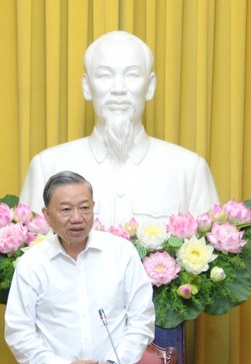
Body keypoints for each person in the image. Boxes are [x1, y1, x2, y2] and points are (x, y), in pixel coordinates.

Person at [19, 30, 220, 227]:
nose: (118, 89)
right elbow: (27, 254)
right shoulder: (47, 167)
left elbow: (212, 254)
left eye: (132, 75)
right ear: (87, 86)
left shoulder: (189, 170)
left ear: (150, 86)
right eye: (104, 75)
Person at [4, 171, 155, 364]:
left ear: (93, 207)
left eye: (84, 208)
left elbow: (142, 322)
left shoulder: (122, 253)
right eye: (66, 210)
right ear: (47, 215)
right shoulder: (32, 264)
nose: (77, 218)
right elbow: (19, 331)